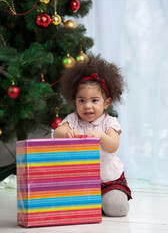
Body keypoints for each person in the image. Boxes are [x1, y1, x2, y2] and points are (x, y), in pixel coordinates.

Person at [53, 57, 132, 217]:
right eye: (81, 100)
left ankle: (103, 201)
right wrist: (67, 133)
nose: (87, 105)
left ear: (106, 102)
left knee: (116, 209)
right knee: (65, 207)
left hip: (108, 179)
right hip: (80, 180)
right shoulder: (73, 119)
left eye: (94, 100)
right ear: (75, 102)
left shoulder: (109, 122)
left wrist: (101, 136)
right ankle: (91, 202)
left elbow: (113, 145)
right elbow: (56, 133)